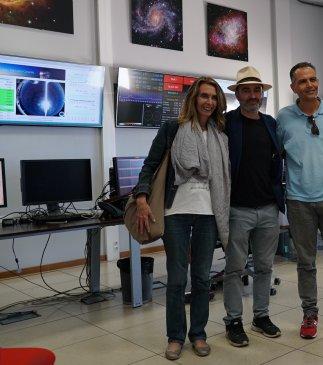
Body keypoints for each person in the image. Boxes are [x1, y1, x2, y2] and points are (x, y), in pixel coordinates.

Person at [133, 77, 230, 360]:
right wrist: (141, 197)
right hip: (175, 212)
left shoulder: (220, 135)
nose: (209, 101)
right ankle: (175, 337)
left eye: (213, 97)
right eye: (203, 96)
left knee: (201, 279)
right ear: (193, 99)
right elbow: (149, 165)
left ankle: (198, 334)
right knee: (177, 279)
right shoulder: (172, 129)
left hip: (209, 214)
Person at [223, 66, 285, 347]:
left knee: (264, 267)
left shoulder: (271, 123)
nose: (252, 95)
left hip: (268, 208)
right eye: (246, 90)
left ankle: (261, 316)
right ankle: (233, 321)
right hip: (238, 208)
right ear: (237, 94)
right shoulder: (225, 123)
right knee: (235, 269)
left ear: (262, 94)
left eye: (256, 90)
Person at [277, 62, 323, 339]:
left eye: (313, 79)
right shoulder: (283, 118)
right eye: (303, 81)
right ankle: (310, 313)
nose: (310, 85)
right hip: (299, 201)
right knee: (306, 262)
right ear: (293, 87)